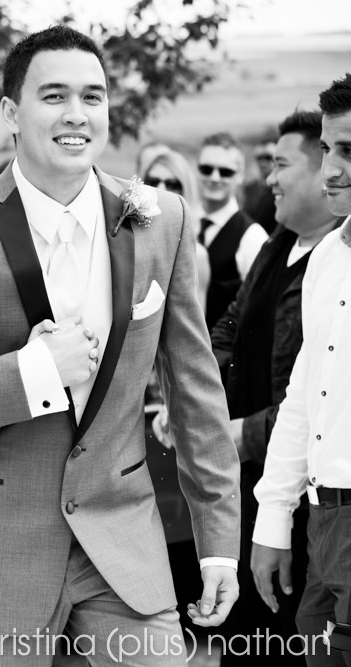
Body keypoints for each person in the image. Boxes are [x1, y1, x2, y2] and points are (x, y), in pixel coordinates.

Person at [0, 26, 241, 666]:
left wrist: (218, 541)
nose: (77, 115)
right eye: (54, 95)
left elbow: (195, 390)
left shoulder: (161, 221)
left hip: (121, 543)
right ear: (12, 112)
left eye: (92, 97)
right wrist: (29, 372)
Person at [210, 109, 341, 665]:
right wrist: (201, 399)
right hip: (256, 485)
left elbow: (313, 401)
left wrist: (244, 435)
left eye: (281, 164)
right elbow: (232, 326)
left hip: (311, 496)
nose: (269, 179)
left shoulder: (333, 259)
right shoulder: (282, 246)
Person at [251, 73, 351, 667]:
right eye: (329, 151)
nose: (331, 169)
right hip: (321, 527)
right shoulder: (325, 262)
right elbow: (303, 401)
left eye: (349, 152)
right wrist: (272, 519)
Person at [196, 132, 269, 329]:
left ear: (240, 176)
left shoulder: (252, 237)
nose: (214, 177)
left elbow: (259, 310)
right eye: (206, 169)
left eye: (225, 172)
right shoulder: (186, 221)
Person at [140, 146, 210, 308]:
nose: (161, 189)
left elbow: (193, 320)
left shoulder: (197, 254)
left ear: (185, 190)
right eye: (153, 181)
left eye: (172, 184)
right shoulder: (127, 236)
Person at [242, 138, 279, 235]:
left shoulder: (281, 190)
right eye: (259, 158)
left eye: (268, 157)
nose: (262, 163)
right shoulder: (249, 188)